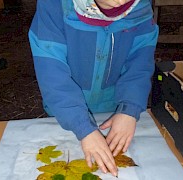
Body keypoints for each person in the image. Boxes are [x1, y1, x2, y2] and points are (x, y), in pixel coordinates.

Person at [28, 0, 158, 177]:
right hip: (65, 111)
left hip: (113, 110)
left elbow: (140, 64)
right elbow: (52, 73)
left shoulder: (141, 8)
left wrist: (130, 108)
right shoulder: (54, 6)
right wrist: (82, 127)